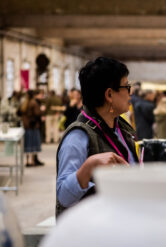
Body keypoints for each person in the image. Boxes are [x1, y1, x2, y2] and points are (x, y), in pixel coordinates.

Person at [56, 57, 138, 216]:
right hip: (95, 231)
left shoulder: (120, 127)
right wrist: (88, 166)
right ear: (109, 94)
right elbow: (64, 196)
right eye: (126, 87)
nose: (130, 93)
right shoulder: (78, 136)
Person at [20, 90, 45, 166]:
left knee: (28, 145)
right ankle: (32, 161)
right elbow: (37, 113)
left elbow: (19, 112)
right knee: (33, 144)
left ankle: (28, 161)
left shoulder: (24, 103)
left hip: (26, 126)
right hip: (33, 126)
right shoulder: (33, 103)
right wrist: (42, 110)